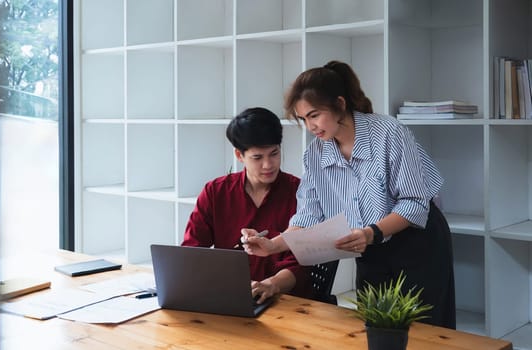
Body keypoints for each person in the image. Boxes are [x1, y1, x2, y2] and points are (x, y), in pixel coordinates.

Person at [242, 61, 456, 329]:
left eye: (314, 115)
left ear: (339, 104)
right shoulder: (315, 155)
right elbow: (308, 217)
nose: (310, 127)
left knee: (426, 333)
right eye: (304, 119)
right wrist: (272, 245)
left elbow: (414, 202)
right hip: (368, 249)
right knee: (376, 329)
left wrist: (370, 233)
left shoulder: (389, 132)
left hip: (417, 242)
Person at [182, 107, 313, 304]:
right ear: (239, 155)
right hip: (228, 296)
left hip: (286, 300)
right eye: (257, 157)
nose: (268, 164)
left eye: (274, 153)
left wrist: (272, 284)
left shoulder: (301, 192)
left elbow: (302, 262)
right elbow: (192, 251)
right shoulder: (215, 192)